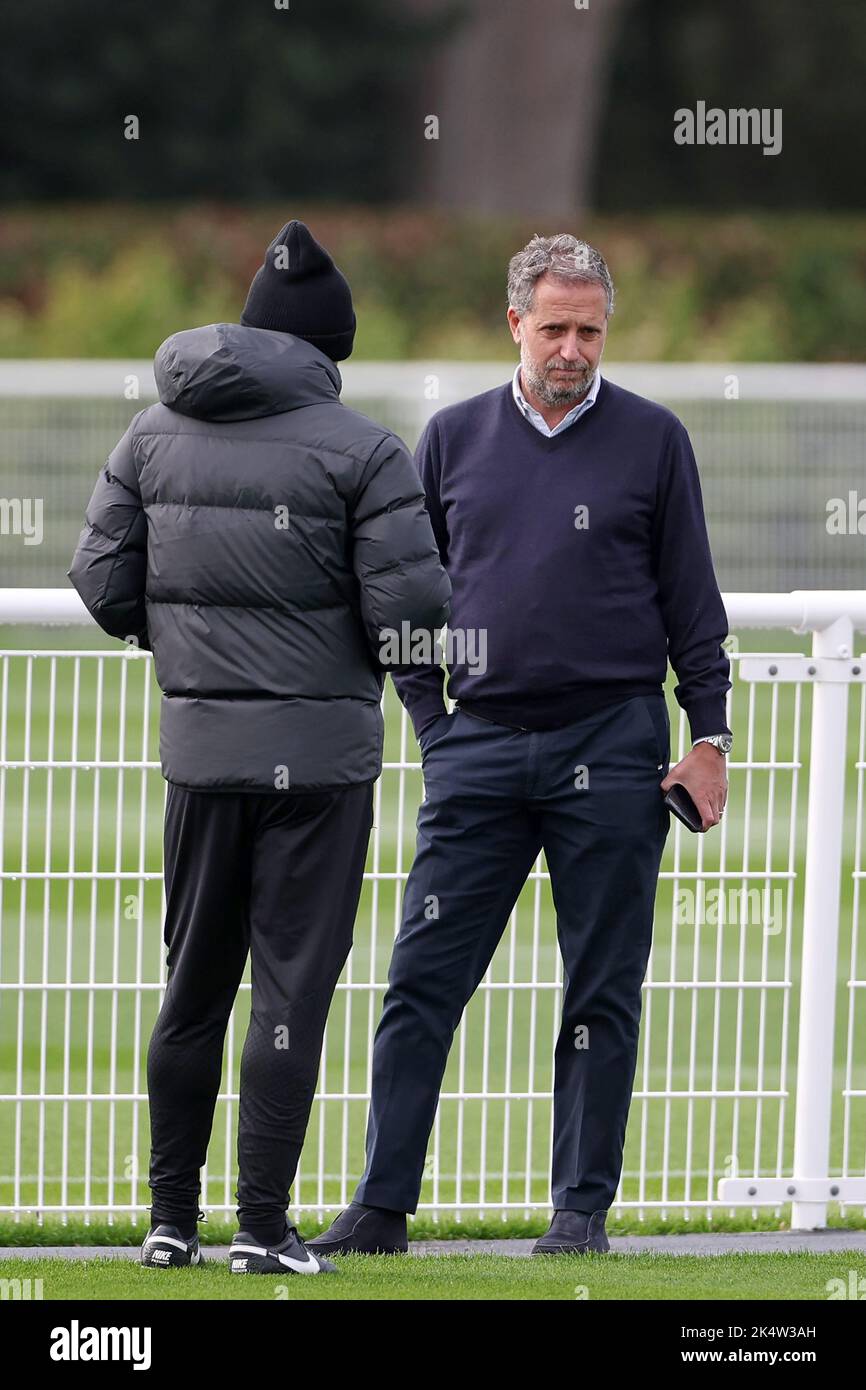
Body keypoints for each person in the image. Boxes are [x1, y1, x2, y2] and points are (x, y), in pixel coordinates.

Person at [308, 233, 732, 1259]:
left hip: (616, 746)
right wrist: (432, 726)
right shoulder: (449, 439)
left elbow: (692, 604)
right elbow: (402, 597)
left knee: (600, 991)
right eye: (554, 327)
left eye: (590, 329)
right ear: (514, 323)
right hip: (479, 751)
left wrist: (707, 735)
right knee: (419, 982)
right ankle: (379, 1208)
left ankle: (578, 1215)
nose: (573, 348)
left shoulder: (653, 439)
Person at [67, 220, 451, 1275]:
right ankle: (262, 1227)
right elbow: (411, 612)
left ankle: (167, 1221)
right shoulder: (364, 450)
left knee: (191, 987)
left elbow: (100, 585)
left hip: (198, 757)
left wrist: (187, 640)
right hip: (320, 767)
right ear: (330, 350)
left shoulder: (150, 432)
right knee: (290, 995)